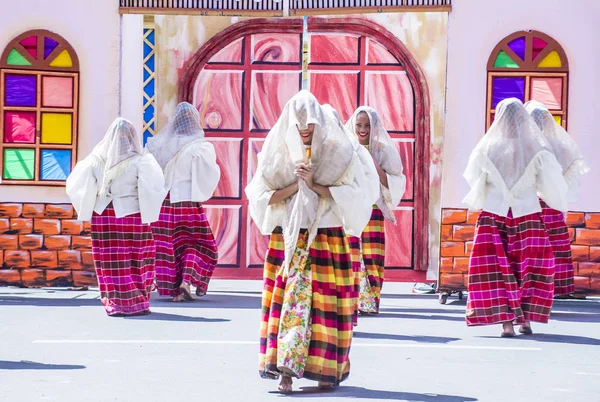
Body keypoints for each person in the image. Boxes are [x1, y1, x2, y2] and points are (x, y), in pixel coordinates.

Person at [246, 91, 373, 393]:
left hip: (328, 237)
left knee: (327, 304)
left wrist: (316, 184)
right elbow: (261, 196)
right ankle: (285, 371)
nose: (304, 127)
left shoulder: (339, 150)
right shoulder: (277, 151)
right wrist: (296, 183)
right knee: (290, 302)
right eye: (299, 122)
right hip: (290, 237)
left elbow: (357, 195)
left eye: (310, 122)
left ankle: (326, 370)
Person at [462, 98, 568, 337]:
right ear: (523, 119)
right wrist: (556, 202)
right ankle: (526, 320)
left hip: (493, 215)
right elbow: (549, 183)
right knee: (528, 267)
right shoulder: (537, 148)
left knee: (496, 269)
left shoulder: (486, 147)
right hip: (527, 214)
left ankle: (506, 324)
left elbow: (474, 179)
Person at [66, 118, 166, 316]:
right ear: (131, 137)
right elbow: (153, 187)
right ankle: (137, 301)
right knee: (138, 257)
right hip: (133, 216)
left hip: (104, 216)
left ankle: (115, 302)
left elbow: (77, 185)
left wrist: (90, 204)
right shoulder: (141, 161)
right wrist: (149, 209)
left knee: (109, 260)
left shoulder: (94, 161)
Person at [146, 102, 220, 302]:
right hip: (187, 203)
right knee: (198, 244)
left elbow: (148, 173)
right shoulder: (201, 147)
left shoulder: (158, 144)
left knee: (169, 247)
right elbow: (209, 175)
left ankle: (173, 290)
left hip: (163, 204)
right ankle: (186, 282)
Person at [344, 106, 406, 315]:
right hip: (350, 209)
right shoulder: (346, 147)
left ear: (375, 127)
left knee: (372, 257)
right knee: (350, 256)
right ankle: (350, 302)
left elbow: (396, 179)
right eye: (359, 125)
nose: (362, 130)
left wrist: (374, 166)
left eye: (367, 126)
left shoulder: (383, 149)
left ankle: (369, 302)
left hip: (373, 211)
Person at [525, 100, 590, 298]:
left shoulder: (526, 144)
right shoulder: (558, 144)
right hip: (552, 201)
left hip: (530, 203)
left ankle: (534, 287)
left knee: (532, 246)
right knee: (555, 245)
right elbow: (569, 167)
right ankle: (559, 286)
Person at [322, 104, 379, 326]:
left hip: (345, 220)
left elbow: (364, 184)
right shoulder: (313, 151)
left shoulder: (351, 151)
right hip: (323, 223)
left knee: (347, 269)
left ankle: (348, 312)